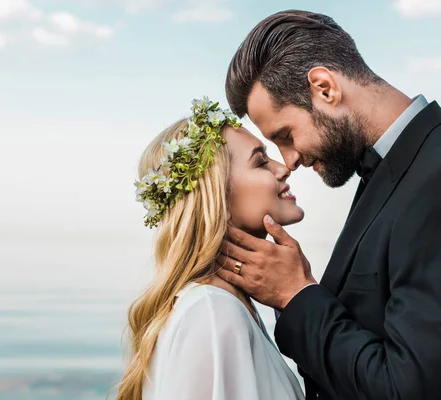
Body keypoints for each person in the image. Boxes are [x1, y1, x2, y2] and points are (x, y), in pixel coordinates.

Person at [218, 10, 441, 400]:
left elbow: (414, 391)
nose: (289, 160)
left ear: (324, 88)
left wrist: (296, 296)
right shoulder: (402, 172)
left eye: (286, 135)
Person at [114, 97, 305, 400]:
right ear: (219, 199)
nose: (283, 168)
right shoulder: (213, 312)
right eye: (260, 162)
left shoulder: (231, 306)